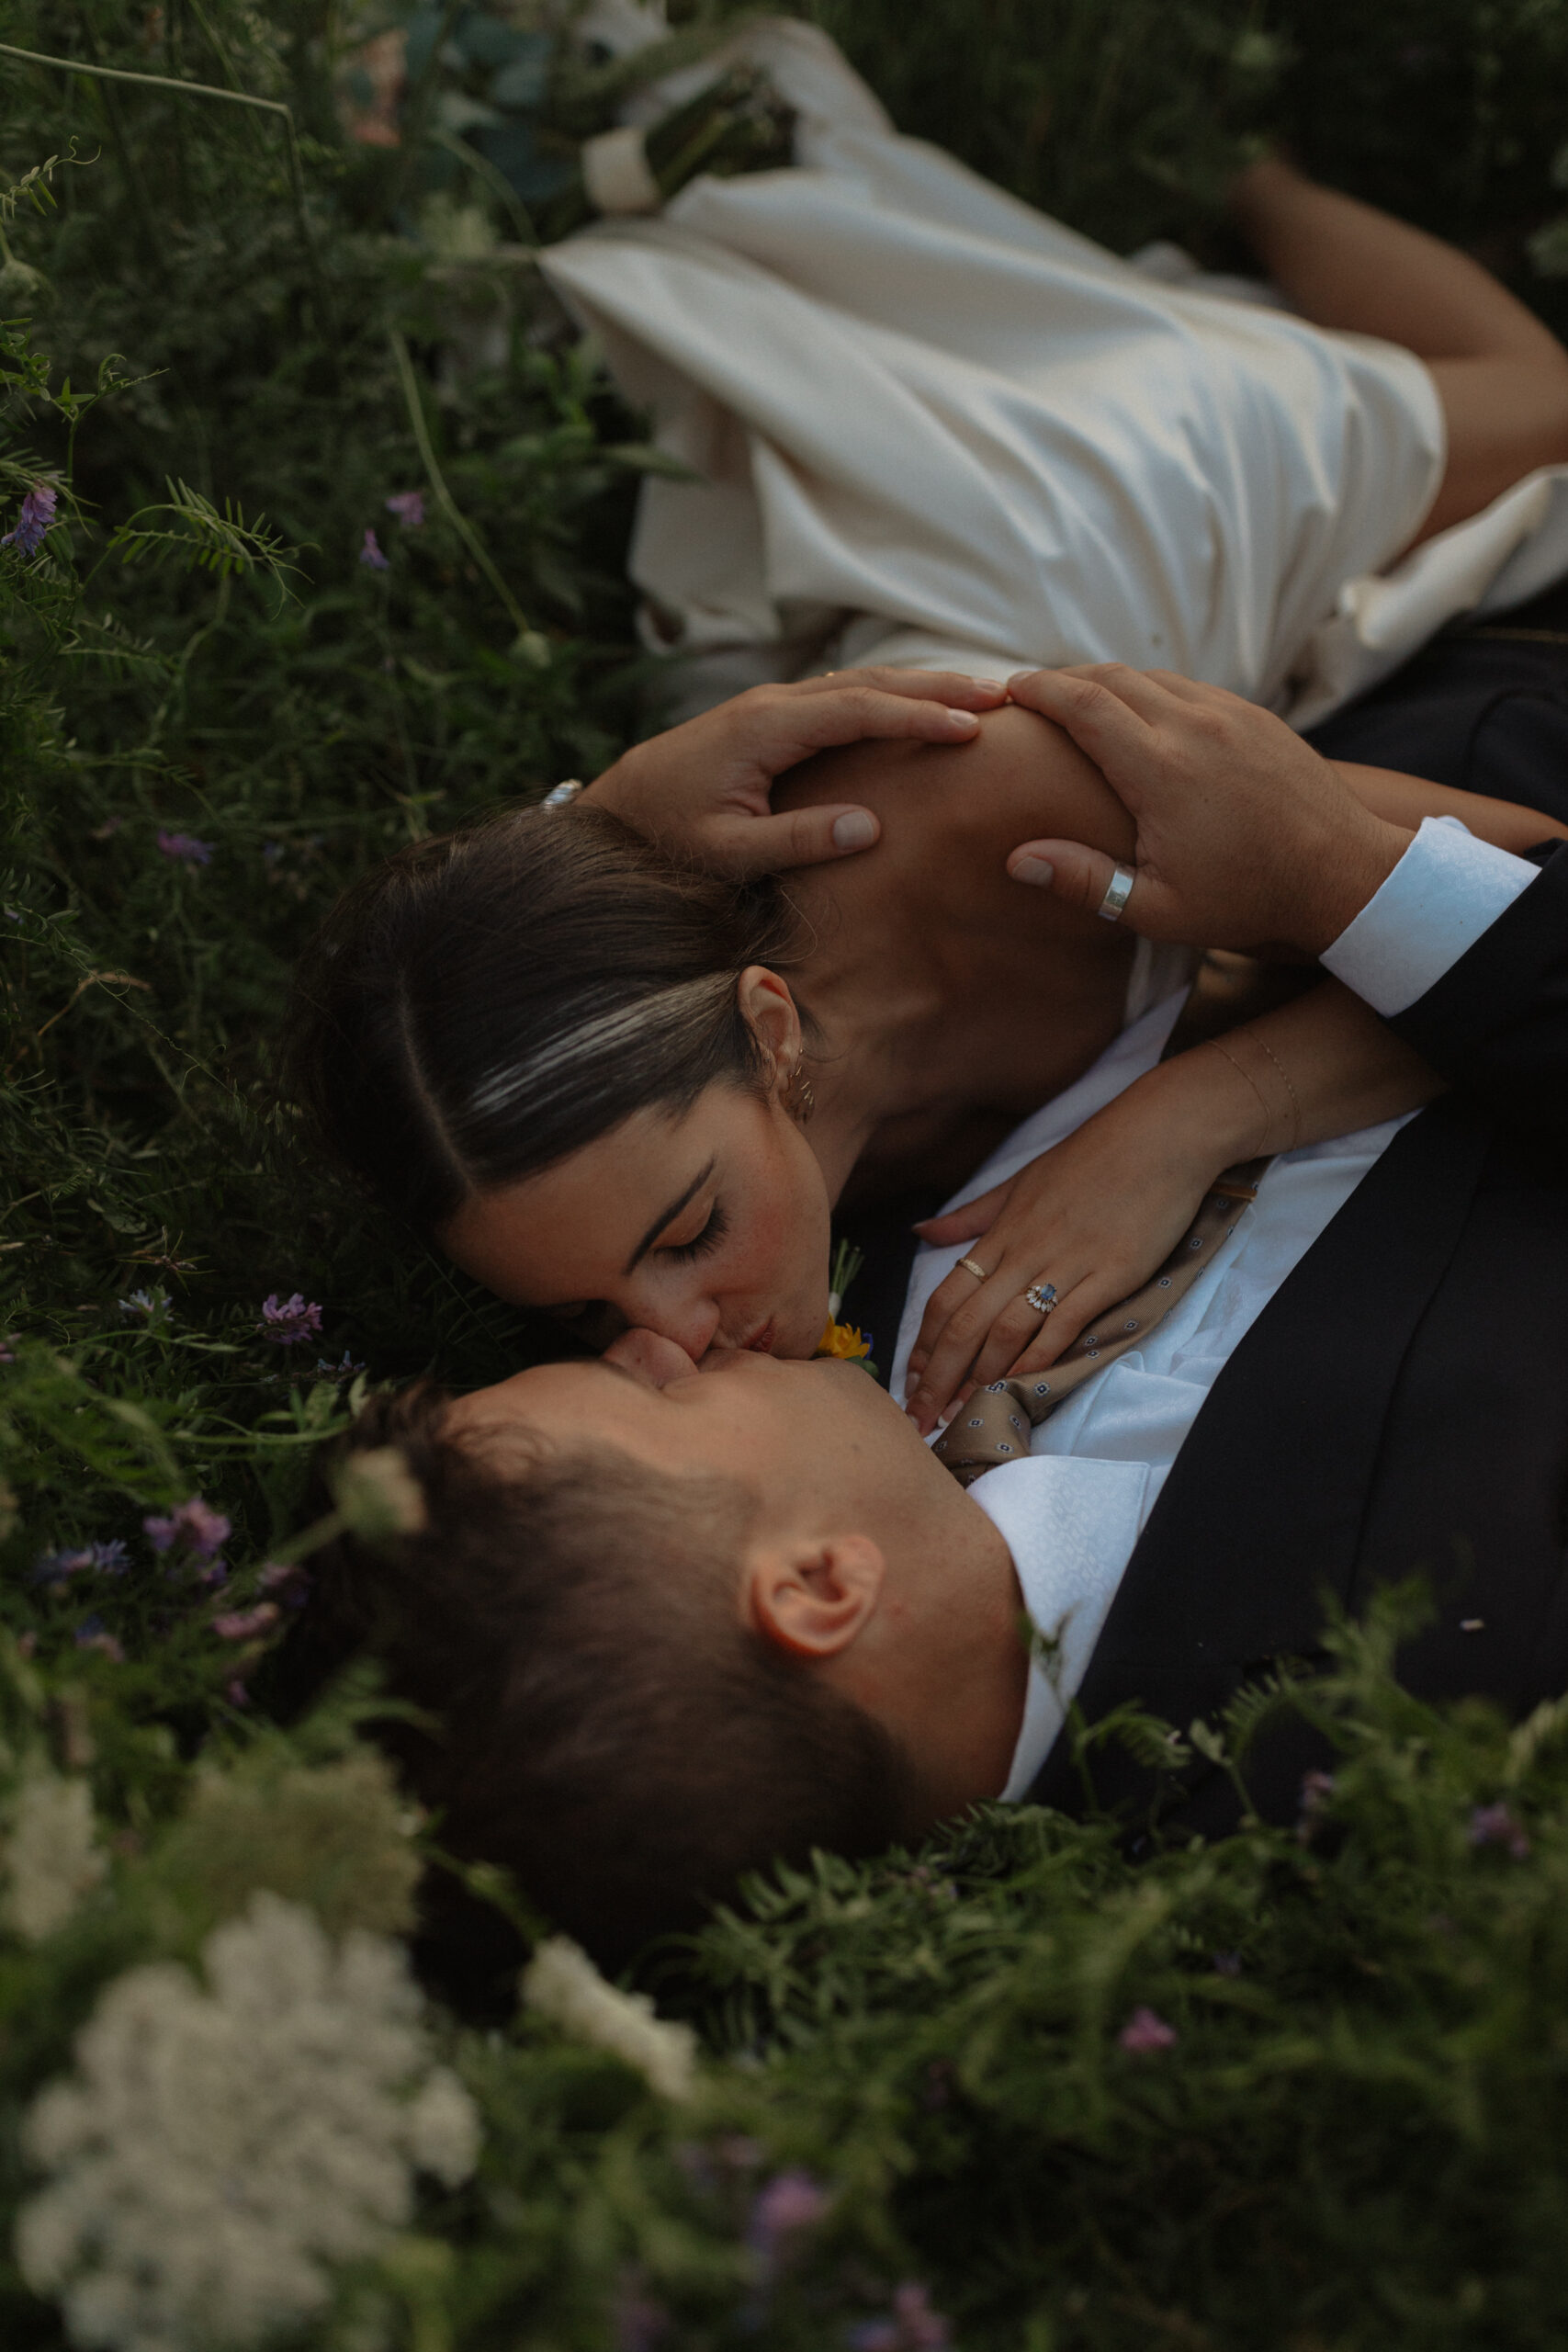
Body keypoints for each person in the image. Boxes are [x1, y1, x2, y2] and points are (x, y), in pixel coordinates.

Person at [293, 656, 1568, 1977]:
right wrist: (1315, 887)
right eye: (642, 1385)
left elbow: (516, 1070)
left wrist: (582, 831)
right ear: (818, 1585)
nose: (668, 1338)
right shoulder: (1431, 1673)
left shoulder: (845, 1271)